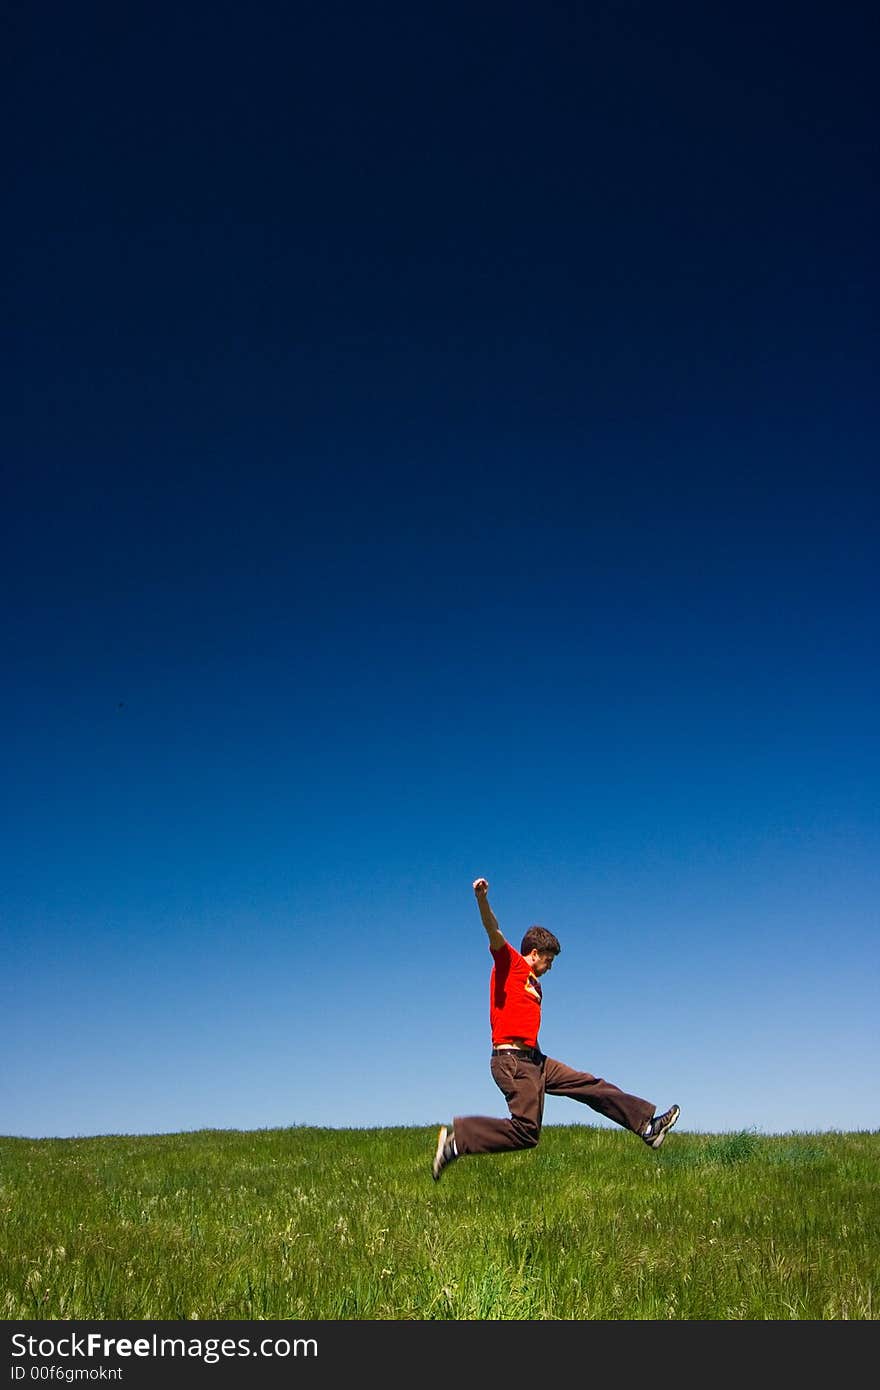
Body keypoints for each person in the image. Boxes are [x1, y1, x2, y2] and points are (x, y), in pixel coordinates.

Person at [432, 876, 680, 1180]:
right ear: (533, 953)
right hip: (511, 1061)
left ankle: (646, 1126)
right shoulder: (509, 963)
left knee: (588, 1084)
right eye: (548, 960)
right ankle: (459, 1141)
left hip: (535, 1060)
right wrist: (482, 898)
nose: (550, 966)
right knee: (527, 1132)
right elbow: (492, 929)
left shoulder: (535, 985)